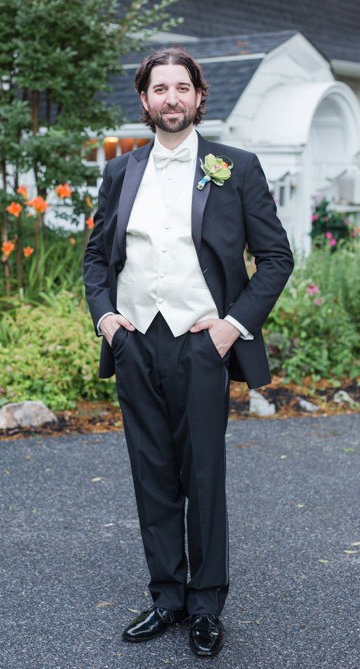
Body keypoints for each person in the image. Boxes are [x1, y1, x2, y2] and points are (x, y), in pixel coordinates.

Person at [83, 47, 294, 658]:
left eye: (182, 87)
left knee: (202, 474)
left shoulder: (236, 167)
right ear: (144, 100)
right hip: (135, 341)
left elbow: (276, 259)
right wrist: (106, 321)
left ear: (200, 97)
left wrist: (232, 327)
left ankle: (206, 604)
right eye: (159, 88)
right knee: (151, 472)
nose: (171, 98)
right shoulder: (121, 171)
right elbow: (98, 257)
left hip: (203, 343)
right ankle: (167, 597)